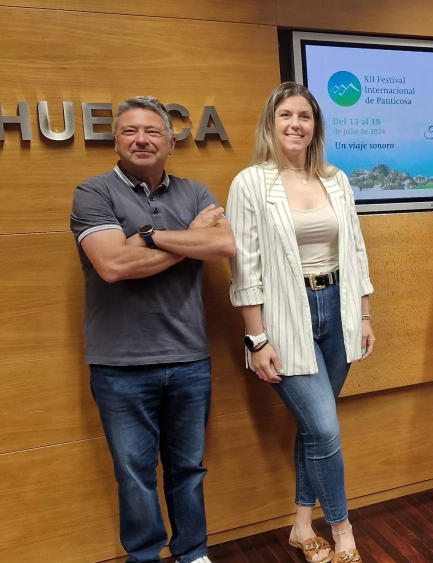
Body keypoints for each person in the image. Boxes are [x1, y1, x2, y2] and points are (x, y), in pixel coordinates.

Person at [70, 96, 236, 563]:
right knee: (135, 474)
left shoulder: (195, 193)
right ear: (116, 141)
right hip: (119, 364)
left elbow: (224, 244)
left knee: (188, 469)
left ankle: (193, 553)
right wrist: (189, 238)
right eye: (130, 131)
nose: (141, 140)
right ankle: (144, 556)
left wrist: (146, 236)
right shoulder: (94, 192)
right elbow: (114, 265)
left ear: (171, 143)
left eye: (152, 131)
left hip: (189, 358)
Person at [227, 82, 375, 563]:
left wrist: (364, 313)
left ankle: (300, 526)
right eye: (286, 115)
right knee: (326, 429)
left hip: (338, 307)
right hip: (284, 316)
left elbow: (355, 248)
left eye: (305, 116)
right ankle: (342, 529)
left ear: (316, 126)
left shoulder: (336, 178)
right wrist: (256, 338)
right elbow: (244, 266)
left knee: (315, 427)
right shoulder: (250, 183)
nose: (296, 124)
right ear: (271, 123)